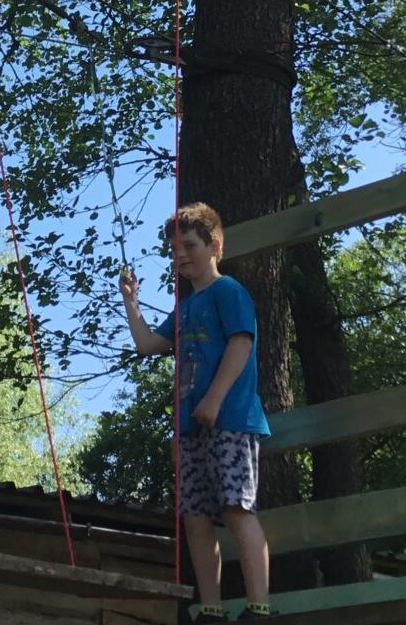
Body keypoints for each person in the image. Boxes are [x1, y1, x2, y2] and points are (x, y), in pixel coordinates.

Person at [119, 202, 273, 621]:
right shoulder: (184, 308)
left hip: (230, 419)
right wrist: (130, 302)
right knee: (195, 518)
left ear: (215, 245)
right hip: (191, 429)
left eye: (188, 245)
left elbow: (241, 344)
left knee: (236, 507)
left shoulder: (228, 292)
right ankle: (212, 608)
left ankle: (260, 606)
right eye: (174, 249)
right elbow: (148, 345)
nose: (180, 255)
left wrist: (215, 398)